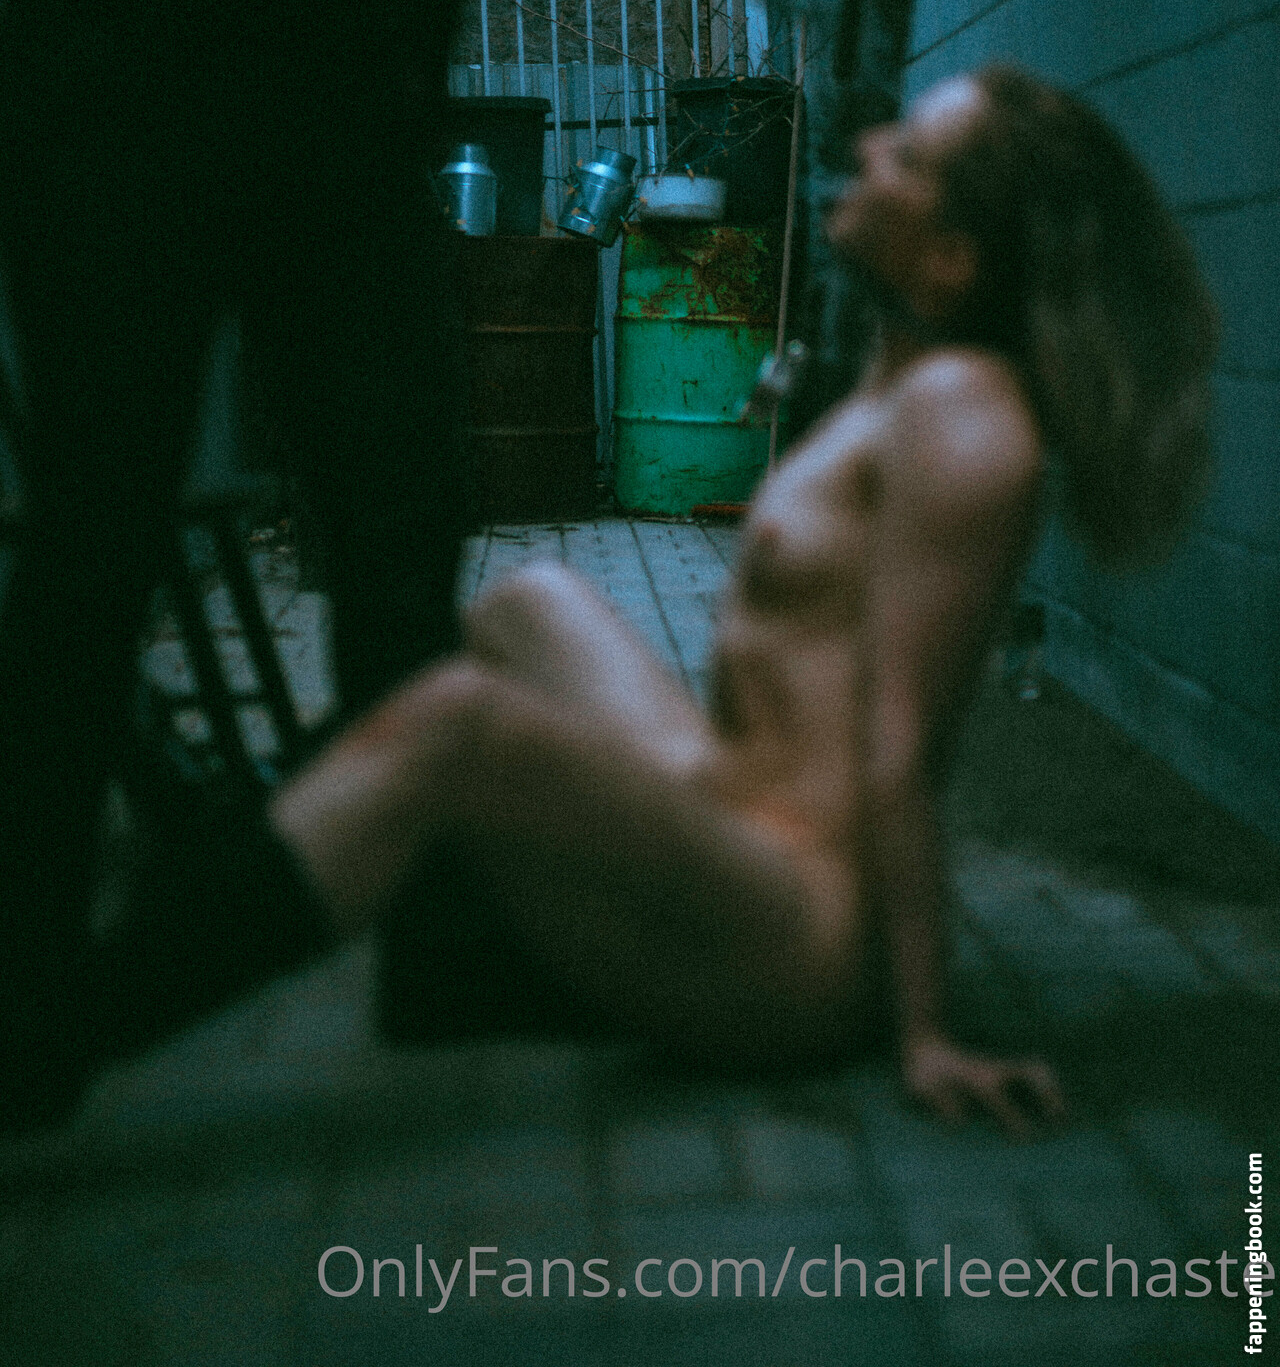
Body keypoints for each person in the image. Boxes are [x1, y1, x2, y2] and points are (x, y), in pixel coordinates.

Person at [0, 0, 800, 1126]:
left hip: (337, 108)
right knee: (98, 534)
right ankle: (23, 981)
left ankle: (433, 944)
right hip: (133, 89)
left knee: (404, 515)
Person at [269, 62, 1219, 1130]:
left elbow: (902, 750)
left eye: (905, 156)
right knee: (529, 600)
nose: (867, 150)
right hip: (732, 809)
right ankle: (449, 923)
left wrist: (924, 1034)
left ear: (950, 258)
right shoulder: (897, 369)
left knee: (456, 728)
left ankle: (131, 974)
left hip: (796, 932)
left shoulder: (964, 417)